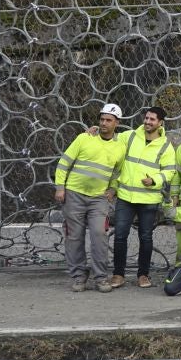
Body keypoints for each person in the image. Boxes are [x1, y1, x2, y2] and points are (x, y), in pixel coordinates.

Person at [54, 102, 129, 293]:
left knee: (99, 235)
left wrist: (112, 190)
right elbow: (64, 163)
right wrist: (60, 187)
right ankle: (79, 276)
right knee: (74, 237)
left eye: (108, 120)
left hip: (98, 199)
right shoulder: (84, 138)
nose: (103, 123)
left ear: (117, 123)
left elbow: (117, 173)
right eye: (102, 119)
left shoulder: (120, 147)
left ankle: (101, 277)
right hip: (74, 195)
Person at [111, 105, 178, 289]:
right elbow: (110, 138)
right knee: (120, 236)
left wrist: (155, 180)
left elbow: (170, 171)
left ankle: (143, 275)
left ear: (160, 123)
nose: (148, 122)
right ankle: (118, 274)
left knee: (146, 238)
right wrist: (92, 132)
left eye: (152, 119)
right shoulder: (130, 136)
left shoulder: (165, 145)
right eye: (147, 118)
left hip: (148, 199)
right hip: (125, 197)